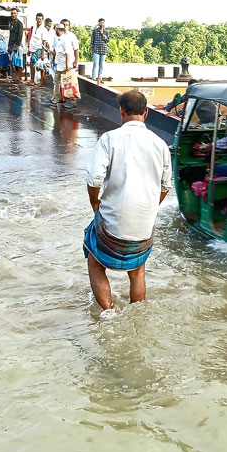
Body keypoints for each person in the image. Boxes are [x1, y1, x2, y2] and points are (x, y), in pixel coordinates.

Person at [83, 90, 173, 311]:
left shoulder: (110, 139)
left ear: (121, 112)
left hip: (111, 229)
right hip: (144, 230)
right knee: (138, 270)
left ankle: (107, 312)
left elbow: (94, 179)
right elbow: (166, 186)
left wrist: (95, 204)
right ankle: (136, 314)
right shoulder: (160, 144)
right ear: (146, 113)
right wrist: (150, 206)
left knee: (94, 258)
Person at [50, 23, 75, 105]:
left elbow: (68, 53)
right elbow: (57, 52)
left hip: (65, 64)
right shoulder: (58, 39)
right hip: (60, 64)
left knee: (67, 82)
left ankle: (71, 100)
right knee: (57, 81)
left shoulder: (65, 39)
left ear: (58, 30)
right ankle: (56, 98)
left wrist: (67, 65)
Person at [27, 14, 49, 87]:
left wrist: (43, 52)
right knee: (32, 64)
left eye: (40, 19)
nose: (39, 20)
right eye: (38, 19)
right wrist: (29, 49)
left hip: (40, 48)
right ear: (36, 19)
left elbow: (44, 41)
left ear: (42, 20)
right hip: (33, 48)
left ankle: (42, 82)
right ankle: (32, 80)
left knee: (41, 66)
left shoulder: (44, 29)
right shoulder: (34, 28)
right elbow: (32, 39)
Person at [8, 7, 24, 84]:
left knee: (19, 63)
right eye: (12, 13)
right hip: (11, 45)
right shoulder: (11, 23)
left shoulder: (19, 24)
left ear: (17, 14)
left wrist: (16, 45)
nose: (13, 15)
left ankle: (19, 78)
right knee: (13, 63)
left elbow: (20, 35)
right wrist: (8, 46)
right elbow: (10, 35)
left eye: (14, 13)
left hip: (17, 46)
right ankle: (15, 78)